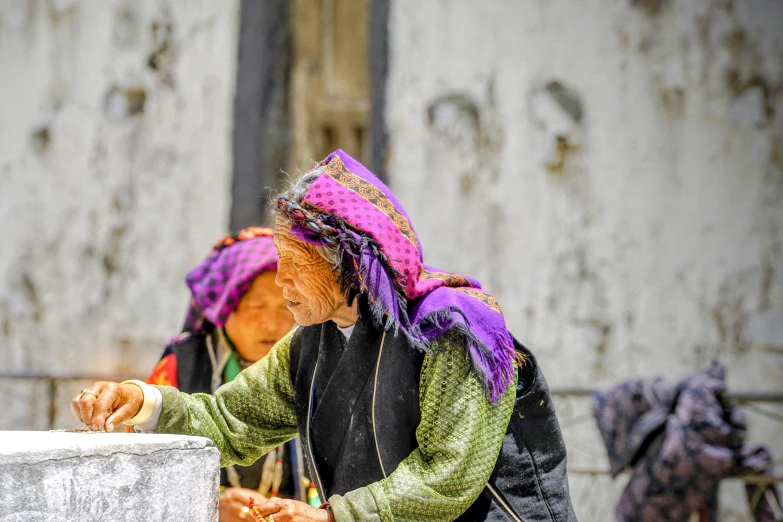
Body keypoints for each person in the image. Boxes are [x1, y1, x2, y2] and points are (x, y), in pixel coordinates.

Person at [72, 150, 577, 521]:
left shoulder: (450, 334)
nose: (280, 281)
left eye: (294, 263)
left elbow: (447, 479)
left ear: (349, 269)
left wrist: (334, 517)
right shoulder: (313, 340)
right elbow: (229, 419)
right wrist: (141, 400)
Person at [137, 227, 304, 521]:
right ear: (225, 307)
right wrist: (212, 503)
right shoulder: (182, 364)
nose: (272, 323)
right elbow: (143, 471)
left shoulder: (308, 362)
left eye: (285, 306)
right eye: (257, 306)